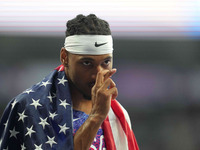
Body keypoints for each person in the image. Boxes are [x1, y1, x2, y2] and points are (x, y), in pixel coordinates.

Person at [0, 14, 139, 150]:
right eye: (86, 63)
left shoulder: (117, 114)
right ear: (64, 57)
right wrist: (96, 117)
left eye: (106, 62)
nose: (97, 74)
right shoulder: (30, 108)